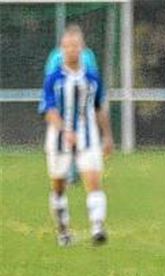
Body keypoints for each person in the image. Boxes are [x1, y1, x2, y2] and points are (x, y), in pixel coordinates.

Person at [39, 25, 113, 246]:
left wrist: (107, 136)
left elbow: (99, 107)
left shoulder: (92, 78)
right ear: (61, 49)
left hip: (87, 136)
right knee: (59, 186)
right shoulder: (53, 79)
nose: (71, 50)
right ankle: (63, 231)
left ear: (82, 48)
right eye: (67, 46)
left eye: (75, 46)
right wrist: (65, 130)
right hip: (59, 138)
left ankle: (98, 227)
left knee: (93, 181)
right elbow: (48, 110)